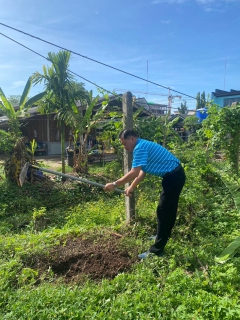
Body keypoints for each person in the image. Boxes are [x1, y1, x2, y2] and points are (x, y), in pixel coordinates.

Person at [104, 129, 186, 259]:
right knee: (168, 210)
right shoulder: (143, 145)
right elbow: (142, 171)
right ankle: (162, 235)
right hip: (175, 175)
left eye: (125, 143)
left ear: (132, 139)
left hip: (173, 177)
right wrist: (132, 186)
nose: (124, 147)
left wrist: (114, 185)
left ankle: (157, 250)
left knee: (164, 211)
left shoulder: (140, 147)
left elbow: (134, 172)